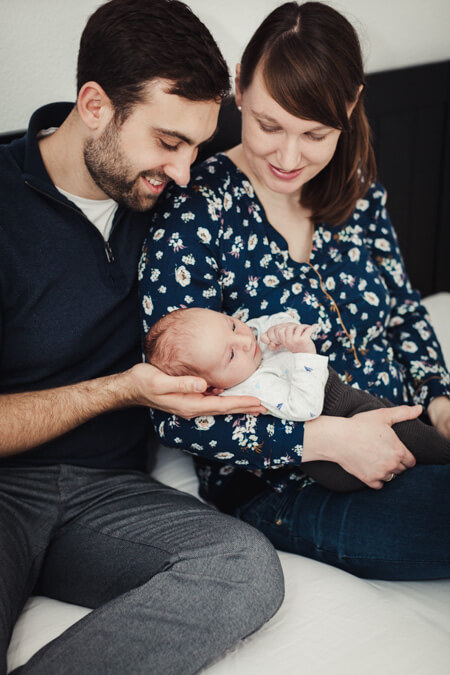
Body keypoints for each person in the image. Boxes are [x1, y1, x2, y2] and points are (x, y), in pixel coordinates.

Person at [0, 1, 285, 673]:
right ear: (94, 106)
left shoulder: (174, 203)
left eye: (198, 146)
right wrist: (123, 389)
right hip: (6, 488)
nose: (185, 172)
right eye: (168, 142)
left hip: (110, 494)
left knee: (246, 567)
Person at [139, 1, 450, 580]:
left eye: (315, 134)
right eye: (268, 125)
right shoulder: (195, 210)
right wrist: (325, 440)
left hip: (409, 435)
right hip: (288, 484)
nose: (287, 157)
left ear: (351, 105)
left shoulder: (357, 188)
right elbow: (171, 409)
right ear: (239, 89)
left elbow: (404, 312)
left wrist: (440, 401)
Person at [145, 307, 450, 491]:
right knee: (411, 433)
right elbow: (306, 407)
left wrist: (282, 328)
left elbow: (271, 321)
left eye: (233, 325)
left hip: (353, 410)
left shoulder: (248, 342)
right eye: (232, 353)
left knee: (409, 432)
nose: (245, 339)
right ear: (212, 389)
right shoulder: (254, 389)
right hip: (336, 439)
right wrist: (303, 352)